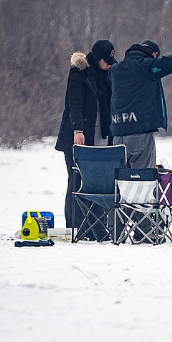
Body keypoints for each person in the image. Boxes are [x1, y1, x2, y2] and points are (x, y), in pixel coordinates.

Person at [109, 24, 172, 168]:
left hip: (117, 134)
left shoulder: (115, 69)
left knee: (122, 181)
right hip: (139, 133)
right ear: (154, 54)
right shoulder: (148, 66)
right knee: (143, 181)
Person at [54, 39, 117, 229]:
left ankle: (96, 228)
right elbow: (74, 104)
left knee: (98, 184)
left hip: (100, 139)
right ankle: (76, 227)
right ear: (97, 57)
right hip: (78, 138)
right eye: (106, 61)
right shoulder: (79, 72)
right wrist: (78, 130)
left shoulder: (107, 76)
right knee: (76, 182)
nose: (108, 65)